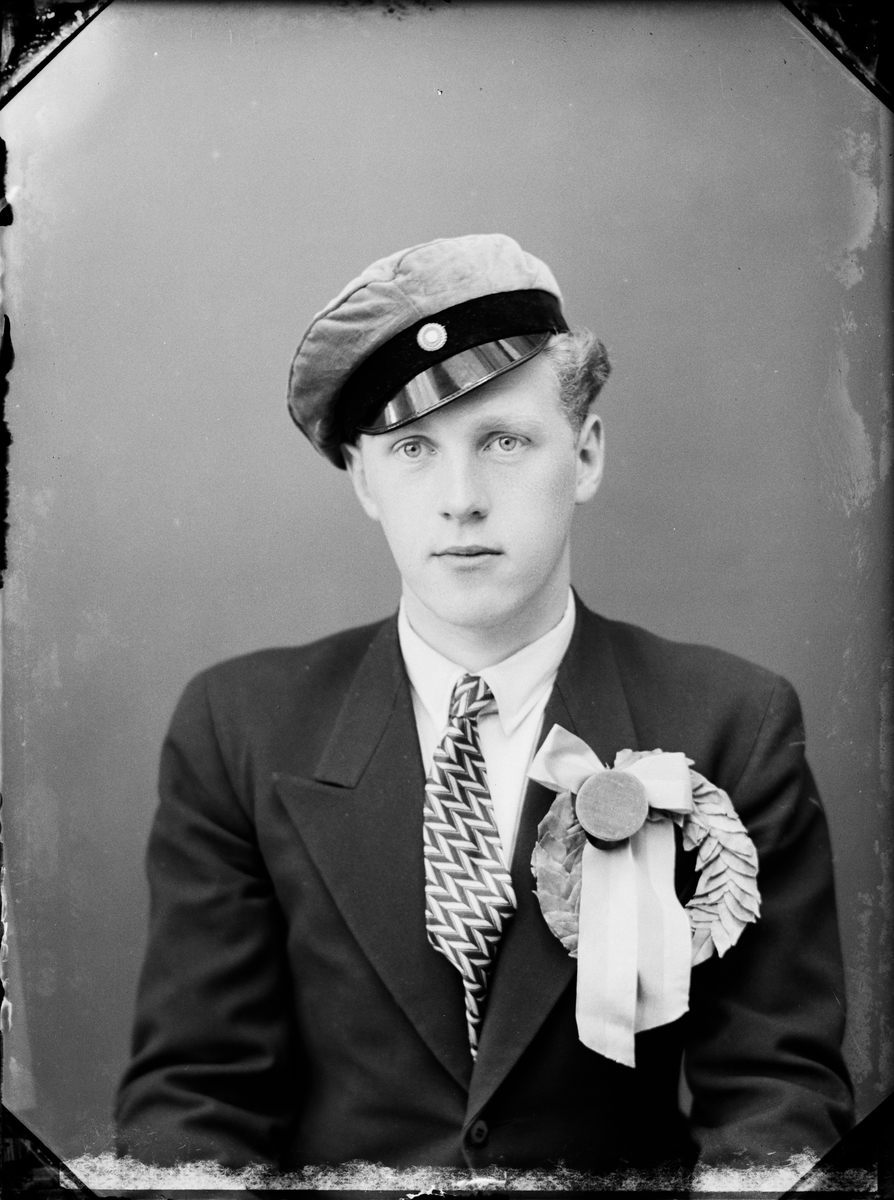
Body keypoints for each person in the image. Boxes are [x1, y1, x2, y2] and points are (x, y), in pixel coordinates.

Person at [115, 233, 854, 1178]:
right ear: (364, 480)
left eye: (504, 442)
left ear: (585, 455)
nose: (460, 499)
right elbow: (194, 1104)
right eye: (412, 448)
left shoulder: (730, 722)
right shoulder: (240, 727)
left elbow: (775, 1098)